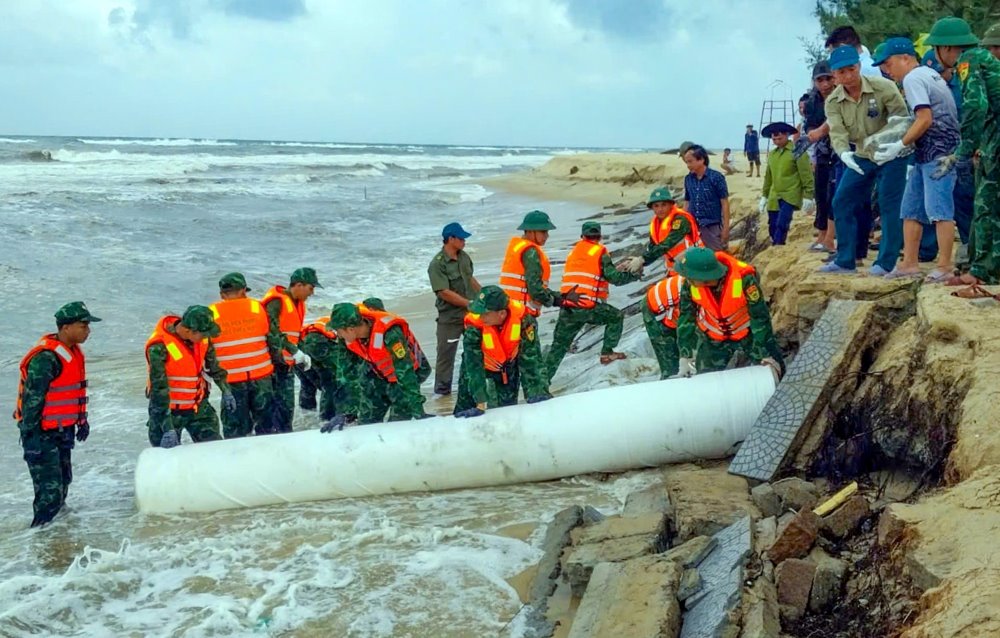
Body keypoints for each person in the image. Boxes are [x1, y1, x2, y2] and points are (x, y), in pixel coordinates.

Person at [818, 45, 910, 276]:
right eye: (841, 72)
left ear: (858, 67)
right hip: (861, 155)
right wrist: (843, 152)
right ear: (834, 75)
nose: (847, 76)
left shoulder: (884, 87)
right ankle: (845, 259)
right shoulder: (833, 102)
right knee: (842, 201)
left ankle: (885, 262)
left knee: (890, 206)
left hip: (892, 154)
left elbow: (901, 119)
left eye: (851, 69)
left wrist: (890, 144)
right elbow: (837, 132)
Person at [874, 37, 961, 282]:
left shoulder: (913, 79)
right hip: (928, 153)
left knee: (939, 210)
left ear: (905, 58)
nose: (886, 71)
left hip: (938, 153)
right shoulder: (928, 74)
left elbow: (925, 118)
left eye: (888, 64)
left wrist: (898, 146)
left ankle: (945, 265)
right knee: (911, 209)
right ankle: (909, 262)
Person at [928, 17, 1000, 290]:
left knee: (985, 205)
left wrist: (963, 150)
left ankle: (981, 272)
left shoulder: (969, 60)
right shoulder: (986, 59)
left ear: (946, 48)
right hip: (993, 137)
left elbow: (976, 106)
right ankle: (987, 268)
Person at [13, 302, 99, 527]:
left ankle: (56, 541)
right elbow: (32, 401)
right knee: (48, 495)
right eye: (83, 326)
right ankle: (38, 542)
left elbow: (70, 394)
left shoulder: (72, 352)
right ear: (66, 327)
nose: (88, 331)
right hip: (42, 434)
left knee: (63, 485)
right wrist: (30, 437)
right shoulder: (45, 358)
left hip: (63, 430)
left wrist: (82, 421)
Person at [498, 210, 581, 402]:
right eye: (543, 231)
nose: (547, 236)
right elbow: (535, 289)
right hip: (523, 317)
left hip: (506, 314)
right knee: (532, 362)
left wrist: (561, 296)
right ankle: (538, 399)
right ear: (531, 231)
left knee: (508, 363)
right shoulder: (531, 252)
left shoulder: (516, 247)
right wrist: (560, 300)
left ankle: (503, 405)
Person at [545, 222, 641, 380]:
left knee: (558, 348)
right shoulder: (600, 251)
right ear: (600, 236)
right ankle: (607, 353)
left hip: (567, 305)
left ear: (582, 236)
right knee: (616, 316)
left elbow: (589, 273)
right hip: (587, 307)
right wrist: (633, 275)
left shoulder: (574, 253)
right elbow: (614, 278)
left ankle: (542, 385)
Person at [674, 248, 784, 378]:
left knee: (773, 369)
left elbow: (760, 317)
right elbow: (686, 318)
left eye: (689, 276)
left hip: (748, 335)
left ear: (704, 278)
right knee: (704, 377)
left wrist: (764, 352)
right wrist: (685, 356)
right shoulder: (690, 284)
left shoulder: (745, 279)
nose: (686, 278)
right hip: (714, 337)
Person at [321, 302, 430, 429]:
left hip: (407, 376)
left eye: (338, 331)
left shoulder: (390, 334)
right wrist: (345, 412)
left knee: (397, 424)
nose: (337, 335)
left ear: (350, 329)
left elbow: (405, 373)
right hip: (379, 375)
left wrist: (418, 411)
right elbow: (346, 374)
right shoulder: (346, 338)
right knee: (366, 422)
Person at [145, 305, 235, 448]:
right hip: (168, 411)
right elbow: (159, 390)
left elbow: (215, 368)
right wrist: (167, 427)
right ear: (188, 331)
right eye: (204, 334)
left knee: (215, 449)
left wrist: (226, 390)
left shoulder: (202, 340)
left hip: (197, 407)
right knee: (166, 458)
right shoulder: (159, 347)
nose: (206, 338)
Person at [209, 272, 278, 437]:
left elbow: (206, 349)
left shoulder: (210, 313)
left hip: (231, 381)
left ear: (222, 294)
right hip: (261, 376)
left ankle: (237, 459)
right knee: (266, 426)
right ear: (243, 291)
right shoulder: (257, 307)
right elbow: (273, 340)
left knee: (235, 429)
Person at [452, 286, 539, 417]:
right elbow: (473, 365)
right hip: (479, 365)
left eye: (485, 313)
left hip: (507, 367)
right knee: (466, 406)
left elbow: (531, 358)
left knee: (508, 408)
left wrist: (537, 392)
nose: (481, 317)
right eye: (479, 312)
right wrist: (480, 403)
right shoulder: (474, 327)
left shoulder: (524, 320)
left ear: (502, 313)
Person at [261, 268, 319, 433]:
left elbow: (293, 334)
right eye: (310, 288)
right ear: (299, 285)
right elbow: (272, 331)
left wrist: (302, 353)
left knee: (286, 407)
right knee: (272, 408)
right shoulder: (276, 302)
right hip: (272, 363)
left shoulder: (298, 304)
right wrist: (294, 351)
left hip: (286, 363)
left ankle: (286, 436)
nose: (312, 293)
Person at [427, 221, 480, 396]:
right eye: (461, 238)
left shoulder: (464, 257)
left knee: (479, 348)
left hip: (471, 314)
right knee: (446, 356)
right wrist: (468, 303)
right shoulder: (438, 264)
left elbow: (470, 279)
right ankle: (442, 394)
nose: (464, 241)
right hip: (449, 318)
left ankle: (478, 386)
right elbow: (443, 292)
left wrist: (483, 296)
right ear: (451, 239)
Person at [759, 121, 815, 245]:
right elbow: (768, 177)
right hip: (774, 195)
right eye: (774, 139)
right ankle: (775, 243)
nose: (777, 142)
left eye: (780, 138)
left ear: (787, 135)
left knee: (782, 223)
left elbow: (806, 175)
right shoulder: (772, 155)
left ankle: (779, 245)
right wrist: (764, 195)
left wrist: (808, 196)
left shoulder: (797, 151)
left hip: (790, 194)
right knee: (772, 224)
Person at [625, 187, 702, 277]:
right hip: (675, 269)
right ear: (652, 208)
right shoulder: (655, 225)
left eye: (663, 205)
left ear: (671, 205)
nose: (660, 209)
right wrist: (639, 263)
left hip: (694, 265)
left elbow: (667, 244)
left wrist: (642, 259)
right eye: (656, 206)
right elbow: (652, 248)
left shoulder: (680, 220)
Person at [804, 61, 840, 253]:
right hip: (821, 152)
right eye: (820, 80)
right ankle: (821, 234)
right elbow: (809, 126)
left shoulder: (841, 95)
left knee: (834, 195)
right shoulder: (812, 101)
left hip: (841, 151)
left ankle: (830, 239)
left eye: (828, 78)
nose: (825, 83)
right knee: (820, 194)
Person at [683, 145, 731, 251]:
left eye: (690, 161)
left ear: (701, 160)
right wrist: (683, 222)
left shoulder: (716, 177)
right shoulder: (688, 179)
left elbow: (724, 203)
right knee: (695, 261)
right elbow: (687, 201)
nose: (688, 165)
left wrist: (726, 228)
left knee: (717, 258)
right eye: (686, 162)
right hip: (693, 228)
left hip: (712, 227)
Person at [296, 314, 341, 421]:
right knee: (330, 381)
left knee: (307, 382)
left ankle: (306, 415)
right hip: (316, 344)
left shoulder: (335, 317)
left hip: (298, 345)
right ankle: (326, 418)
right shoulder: (357, 322)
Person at [643, 274, 685, 379]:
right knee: (670, 358)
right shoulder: (689, 295)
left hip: (669, 304)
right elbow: (685, 326)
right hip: (654, 307)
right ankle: (670, 383)